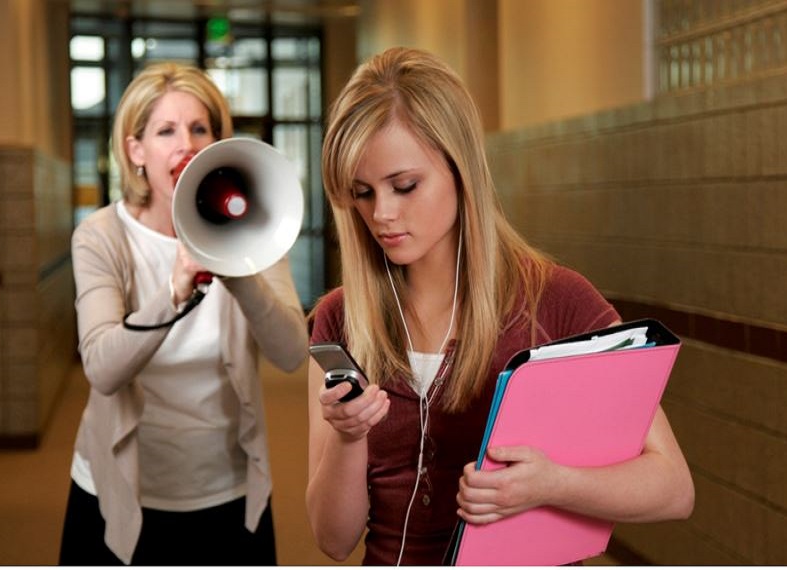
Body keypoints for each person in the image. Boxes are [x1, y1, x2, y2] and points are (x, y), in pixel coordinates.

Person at [306, 47, 694, 566]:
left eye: (404, 186)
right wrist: (348, 437)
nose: (382, 214)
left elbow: (673, 488)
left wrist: (552, 484)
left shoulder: (557, 302)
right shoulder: (340, 318)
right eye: (362, 193)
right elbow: (333, 539)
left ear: (460, 169)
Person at [59, 62, 309, 565]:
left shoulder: (252, 229)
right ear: (136, 150)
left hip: (228, 487)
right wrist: (172, 294)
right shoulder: (101, 237)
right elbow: (102, 369)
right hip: (124, 487)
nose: (186, 145)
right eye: (166, 131)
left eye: (199, 129)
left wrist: (240, 272)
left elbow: (290, 354)